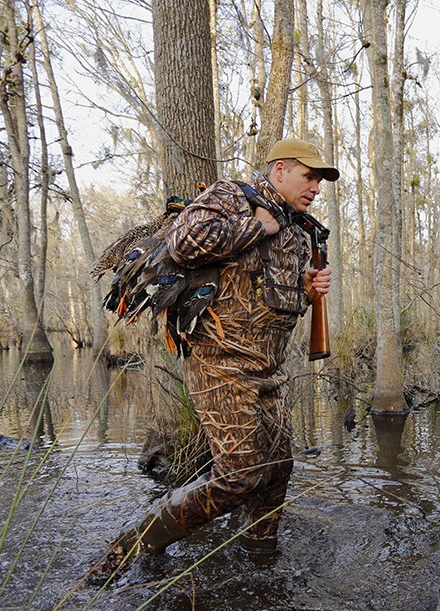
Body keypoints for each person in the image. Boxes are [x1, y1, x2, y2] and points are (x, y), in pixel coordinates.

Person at [92, 139, 338, 579]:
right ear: (279, 169)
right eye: (310, 176)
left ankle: (259, 559)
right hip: (219, 362)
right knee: (240, 474)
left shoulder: (299, 230)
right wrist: (256, 228)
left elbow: (269, 299)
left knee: (278, 466)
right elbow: (184, 243)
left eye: (320, 180)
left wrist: (306, 290)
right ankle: (129, 548)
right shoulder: (233, 198)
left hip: (269, 369)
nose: (317, 186)